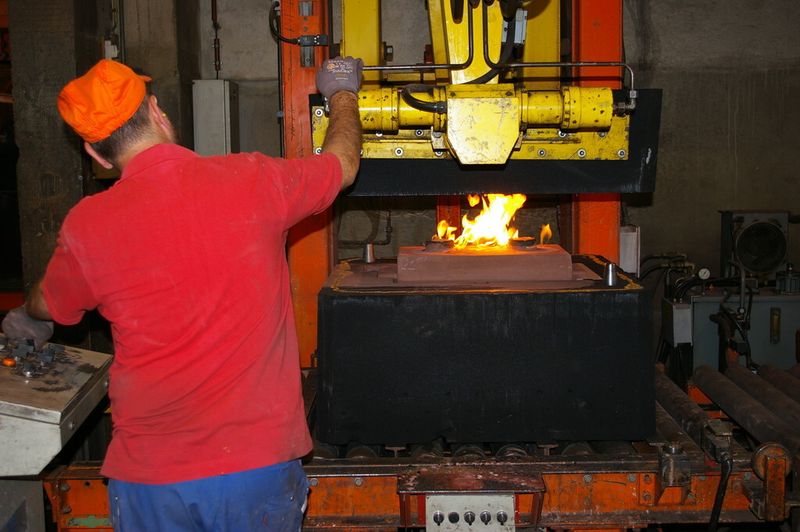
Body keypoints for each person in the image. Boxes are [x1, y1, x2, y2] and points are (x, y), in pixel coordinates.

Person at [1, 56, 363, 531]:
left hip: (150, 478)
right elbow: (343, 165)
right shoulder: (253, 180)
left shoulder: (88, 225)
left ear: (94, 153)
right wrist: (342, 92)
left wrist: (30, 313)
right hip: (255, 470)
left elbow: (50, 304)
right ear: (158, 112)